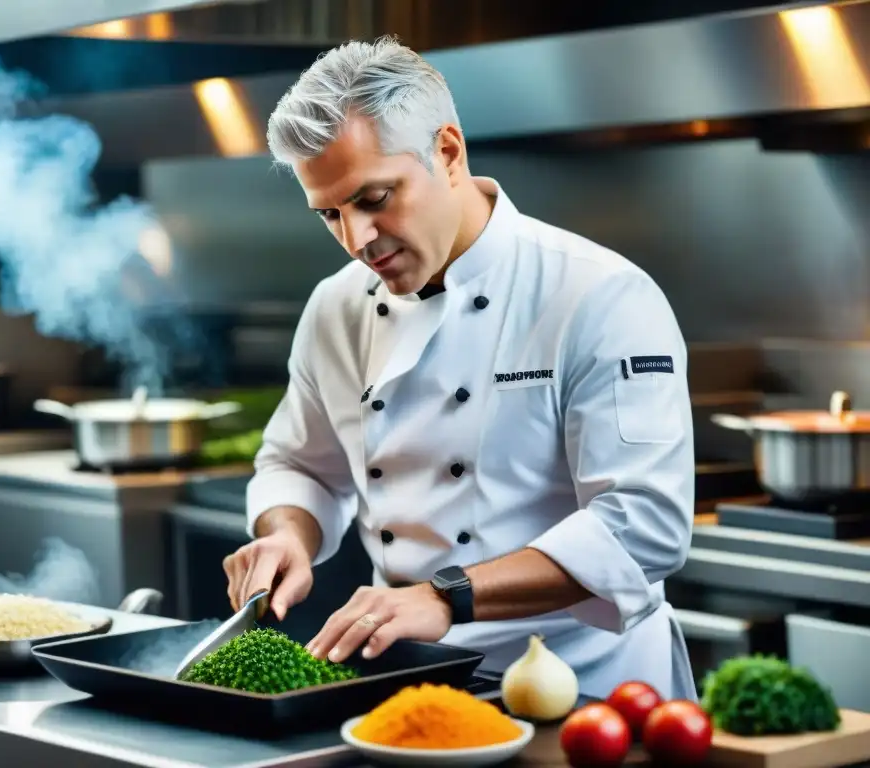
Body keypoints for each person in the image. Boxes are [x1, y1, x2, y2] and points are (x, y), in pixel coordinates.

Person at [223, 36, 697, 701]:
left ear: (447, 152)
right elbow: (300, 465)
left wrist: (448, 597)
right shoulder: (336, 306)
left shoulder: (598, 293)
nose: (357, 240)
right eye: (330, 213)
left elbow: (644, 523)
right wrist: (286, 537)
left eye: (374, 197)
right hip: (414, 682)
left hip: (593, 691)